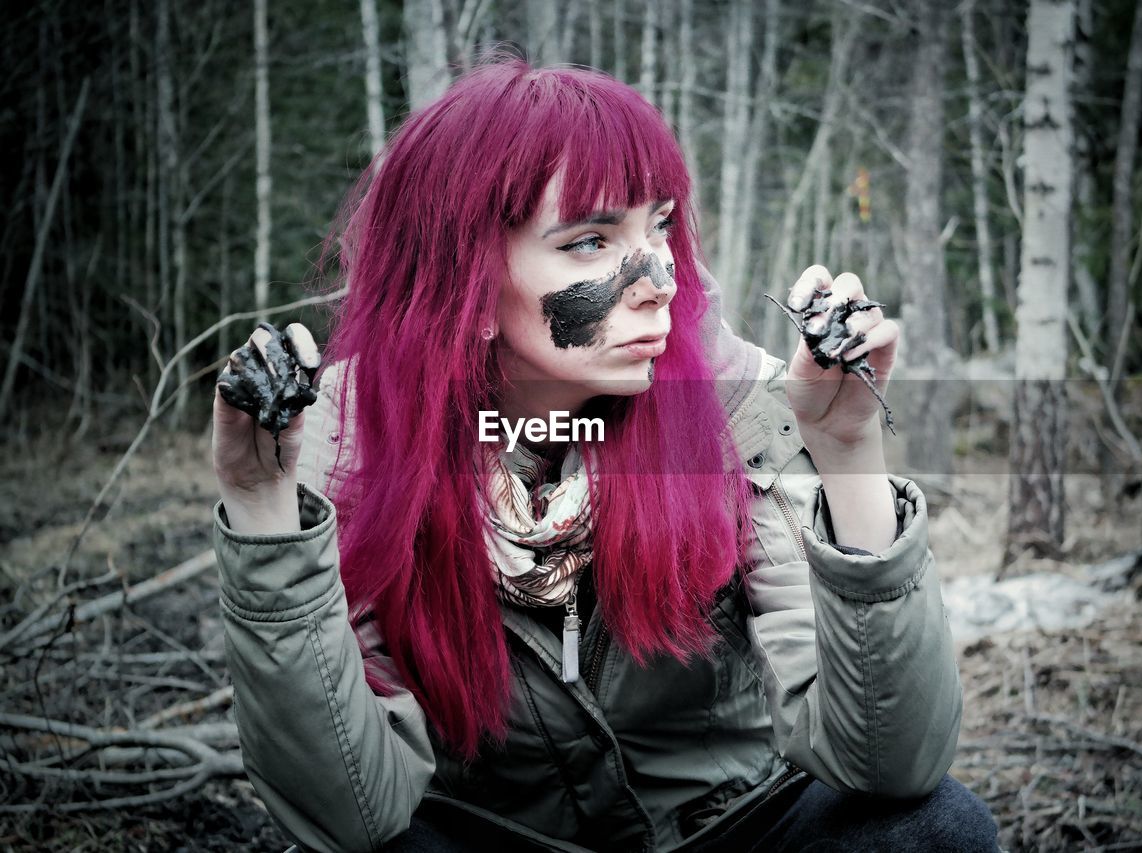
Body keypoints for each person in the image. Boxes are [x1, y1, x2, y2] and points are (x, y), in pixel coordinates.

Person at [210, 54, 1000, 853]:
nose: (658, 277)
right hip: (484, 840)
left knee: (934, 830)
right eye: (590, 241)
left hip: (723, 829)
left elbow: (889, 761)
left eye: (658, 225)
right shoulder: (343, 439)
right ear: (467, 287)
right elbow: (348, 813)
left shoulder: (737, 401)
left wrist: (849, 449)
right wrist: (264, 512)